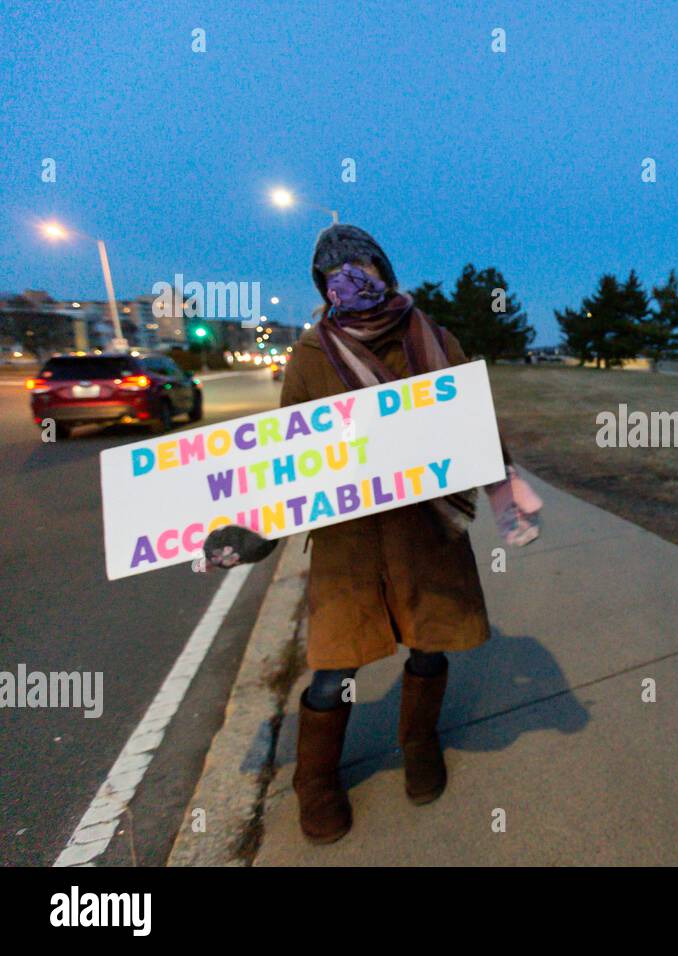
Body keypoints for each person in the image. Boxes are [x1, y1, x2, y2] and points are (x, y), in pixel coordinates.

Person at [204, 224, 542, 844]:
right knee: (335, 667)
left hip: (424, 529)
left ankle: (417, 742)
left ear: (383, 270)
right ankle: (317, 780)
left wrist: (504, 488)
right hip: (349, 541)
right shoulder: (310, 355)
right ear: (322, 286)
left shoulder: (436, 339)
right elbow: (287, 453)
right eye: (334, 275)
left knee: (430, 642)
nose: (349, 281)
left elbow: (472, 425)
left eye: (359, 268)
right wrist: (257, 526)